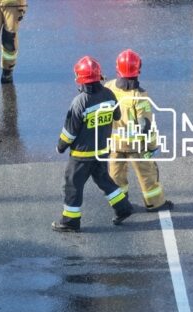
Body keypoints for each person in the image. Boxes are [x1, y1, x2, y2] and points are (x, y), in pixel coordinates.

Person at [53, 56, 133, 233]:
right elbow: (117, 116)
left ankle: (70, 221)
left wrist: (60, 146)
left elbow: (70, 132)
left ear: (80, 80)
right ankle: (123, 207)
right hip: (102, 152)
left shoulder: (79, 102)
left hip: (82, 156)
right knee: (104, 180)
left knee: (72, 185)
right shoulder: (109, 95)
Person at [105, 49, 173, 212]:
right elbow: (145, 125)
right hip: (136, 146)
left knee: (116, 176)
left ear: (117, 69)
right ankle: (155, 203)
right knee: (147, 174)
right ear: (138, 70)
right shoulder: (139, 95)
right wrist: (152, 146)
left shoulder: (108, 87)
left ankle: (120, 204)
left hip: (114, 144)